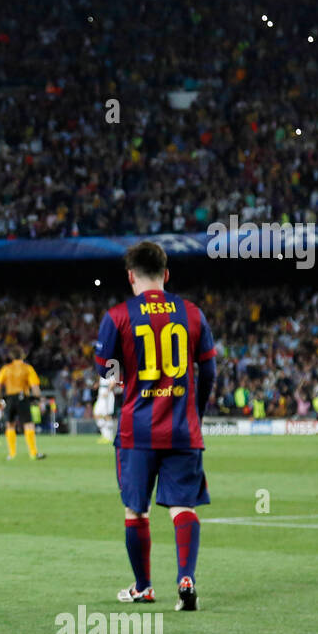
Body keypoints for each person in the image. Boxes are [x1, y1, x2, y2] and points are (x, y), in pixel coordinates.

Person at [94, 241, 216, 612]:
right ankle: (186, 578)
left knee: (136, 510)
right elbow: (208, 369)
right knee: (183, 506)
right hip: (182, 428)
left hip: (137, 430)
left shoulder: (118, 316)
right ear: (166, 274)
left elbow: (105, 369)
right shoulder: (192, 313)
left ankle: (144, 587)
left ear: (131, 276)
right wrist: (196, 409)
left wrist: (121, 375)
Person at [0, 348, 45, 460]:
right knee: (28, 424)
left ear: (12, 356)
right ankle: (33, 453)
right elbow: (35, 386)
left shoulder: (6, 369)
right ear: (22, 356)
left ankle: (12, 454)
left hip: (9, 398)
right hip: (23, 397)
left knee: (10, 424)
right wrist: (37, 398)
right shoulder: (27, 368)